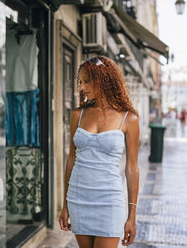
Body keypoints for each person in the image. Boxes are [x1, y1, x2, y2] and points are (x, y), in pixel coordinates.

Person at [59, 56, 140, 248]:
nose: (81, 87)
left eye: (86, 81)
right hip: (78, 198)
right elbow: (71, 160)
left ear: (103, 80)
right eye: (80, 81)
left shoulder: (129, 119)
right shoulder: (77, 115)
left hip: (109, 201)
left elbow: (132, 169)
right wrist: (65, 204)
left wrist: (132, 216)